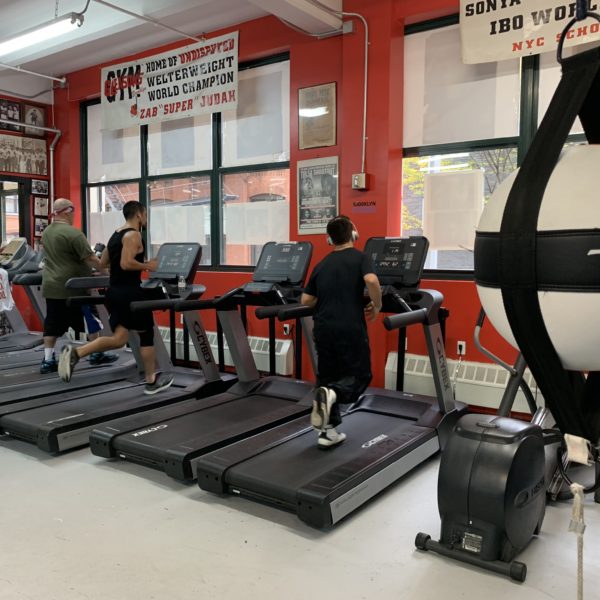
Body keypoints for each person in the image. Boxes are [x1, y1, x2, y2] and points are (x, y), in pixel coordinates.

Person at [58, 201, 174, 395]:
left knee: (119, 339)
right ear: (139, 214)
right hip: (130, 293)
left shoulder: (115, 235)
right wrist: (148, 265)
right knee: (146, 334)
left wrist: (133, 266)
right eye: (145, 214)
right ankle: (151, 381)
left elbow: (103, 262)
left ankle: (76, 353)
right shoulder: (133, 235)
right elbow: (126, 263)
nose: (146, 218)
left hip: (114, 292)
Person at [301, 215, 382, 449]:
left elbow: (306, 300)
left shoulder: (322, 264)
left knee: (327, 378)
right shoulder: (361, 257)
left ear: (330, 239)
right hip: (349, 327)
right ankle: (334, 393)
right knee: (360, 374)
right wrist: (377, 305)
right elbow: (372, 280)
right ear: (353, 234)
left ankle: (328, 433)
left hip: (323, 328)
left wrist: (329, 297)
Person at [40, 198, 117, 374]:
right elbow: (91, 258)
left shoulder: (47, 232)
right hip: (75, 287)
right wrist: (108, 274)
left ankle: (48, 360)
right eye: (73, 211)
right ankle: (96, 353)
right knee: (92, 320)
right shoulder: (73, 234)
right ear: (68, 212)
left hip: (52, 286)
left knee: (52, 323)